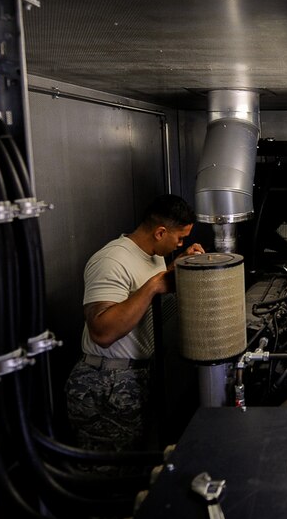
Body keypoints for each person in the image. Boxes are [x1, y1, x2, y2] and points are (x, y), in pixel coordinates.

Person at [65, 194, 204, 453]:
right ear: (161, 232)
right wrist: (154, 286)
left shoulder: (153, 255)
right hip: (105, 383)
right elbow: (102, 331)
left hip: (135, 376)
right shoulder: (111, 261)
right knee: (108, 472)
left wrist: (177, 266)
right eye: (180, 238)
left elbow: (145, 292)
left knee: (134, 465)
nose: (182, 243)